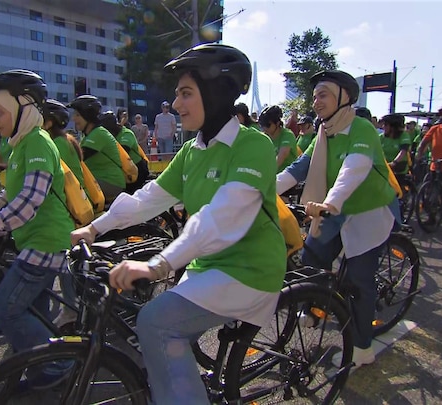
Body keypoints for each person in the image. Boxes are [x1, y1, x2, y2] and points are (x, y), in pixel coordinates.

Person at [71, 43, 286, 404]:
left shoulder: (254, 145)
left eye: (186, 93)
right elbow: (149, 198)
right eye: (177, 95)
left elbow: (222, 215)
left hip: (250, 269)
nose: (176, 104)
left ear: (216, 93)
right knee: (162, 332)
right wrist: (95, 228)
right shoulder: (192, 150)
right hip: (209, 265)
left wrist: (159, 264)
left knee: (156, 323)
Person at [277, 69, 399, 368]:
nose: (316, 102)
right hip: (334, 209)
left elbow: (354, 168)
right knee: (311, 258)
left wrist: (331, 201)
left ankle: (362, 345)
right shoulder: (323, 132)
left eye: (324, 95)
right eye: (315, 96)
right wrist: (259, 192)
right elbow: (298, 168)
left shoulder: (361, 128)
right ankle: (317, 307)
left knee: (359, 281)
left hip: (367, 211)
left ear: (344, 98)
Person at [0, 70, 73, 385]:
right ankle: (37, 366)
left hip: (46, 241)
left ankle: (61, 366)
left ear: (22, 110)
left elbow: (31, 198)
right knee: (33, 310)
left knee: (5, 310)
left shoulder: (38, 143)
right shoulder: (21, 143)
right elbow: (9, 192)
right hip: (33, 240)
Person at [67, 95, 125, 203]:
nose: (73, 118)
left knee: (71, 190)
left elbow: (77, 158)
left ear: (87, 116)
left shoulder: (98, 134)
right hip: (99, 179)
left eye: (77, 115)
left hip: (110, 182)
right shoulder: (88, 135)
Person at [100, 111, 149, 193]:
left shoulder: (126, 133)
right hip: (125, 170)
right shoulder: (110, 135)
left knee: (129, 194)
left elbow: (122, 152)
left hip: (137, 168)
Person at [258, 105, 298, 173]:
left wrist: (265, 174)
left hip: (288, 175)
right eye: (262, 125)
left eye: (267, 125)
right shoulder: (265, 136)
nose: (264, 128)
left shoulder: (287, 135)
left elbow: (281, 157)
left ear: (277, 123)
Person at [381, 114, 411, 185]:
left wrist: (394, 162)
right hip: (384, 167)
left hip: (398, 167)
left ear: (393, 127)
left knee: (397, 190)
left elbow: (403, 151)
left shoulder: (404, 135)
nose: (383, 127)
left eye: (385, 125)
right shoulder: (381, 137)